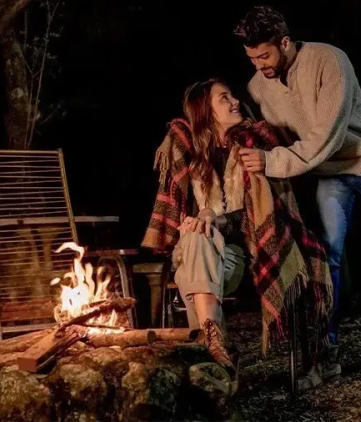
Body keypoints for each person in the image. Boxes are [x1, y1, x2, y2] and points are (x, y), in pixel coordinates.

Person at [233, 5, 361, 386]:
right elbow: (275, 137)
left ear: (285, 42)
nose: (259, 65)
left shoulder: (329, 62)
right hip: (329, 176)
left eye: (264, 55)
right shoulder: (259, 87)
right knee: (328, 261)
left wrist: (271, 161)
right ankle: (326, 350)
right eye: (252, 58)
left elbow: (326, 136)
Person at [141, 78, 333, 382]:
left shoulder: (253, 146)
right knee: (193, 238)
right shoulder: (188, 153)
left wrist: (214, 218)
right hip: (201, 254)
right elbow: (176, 215)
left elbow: (262, 215)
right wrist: (194, 221)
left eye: (232, 96)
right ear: (206, 111)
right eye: (224, 98)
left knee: (191, 268)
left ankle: (213, 352)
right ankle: (217, 348)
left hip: (240, 256)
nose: (235, 102)